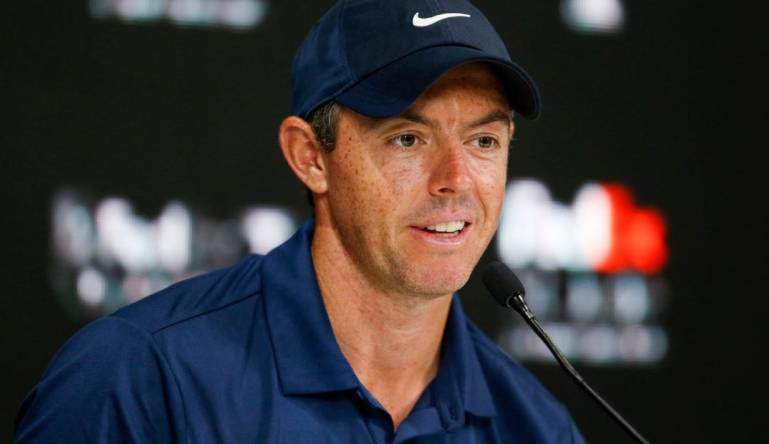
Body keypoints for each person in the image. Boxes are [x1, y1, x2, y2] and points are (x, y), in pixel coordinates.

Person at [15, 0, 586, 442]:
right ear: (311, 157)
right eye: (407, 139)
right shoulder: (137, 378)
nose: (456, 179)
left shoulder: (536, 427)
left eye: (484, 140)